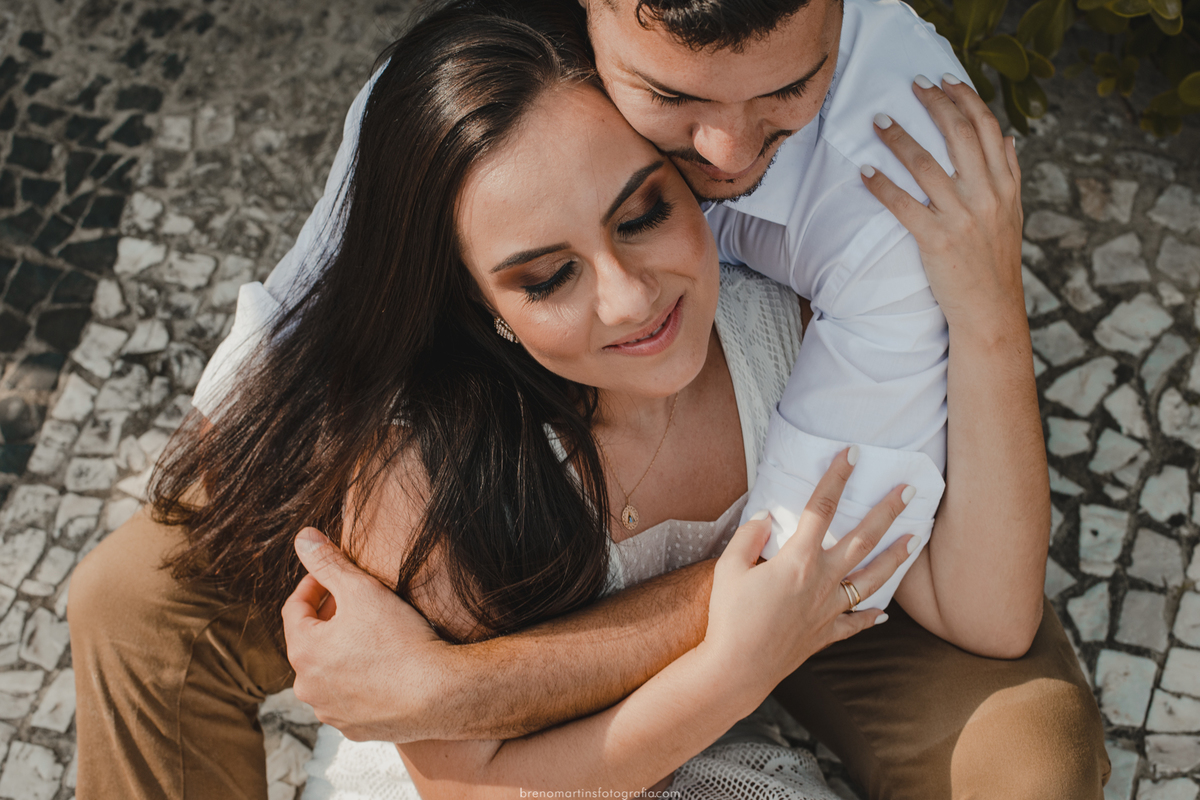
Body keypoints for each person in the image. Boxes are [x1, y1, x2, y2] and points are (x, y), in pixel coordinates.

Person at [66, 1, 1108, 798]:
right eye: (675, 107)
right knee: (139, 598)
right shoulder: (496, 99)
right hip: (578, 521)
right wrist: (261, 458)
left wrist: (454, 687)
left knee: (1030, 753)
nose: (730, 158)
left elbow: (859, 580)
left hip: (800, 545)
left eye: (786, 94)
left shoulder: (892, 178)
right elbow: (316, 307)